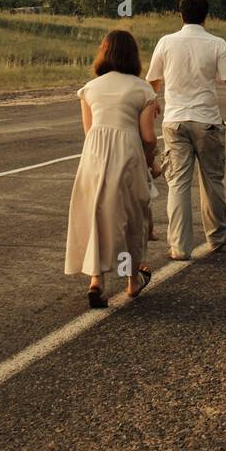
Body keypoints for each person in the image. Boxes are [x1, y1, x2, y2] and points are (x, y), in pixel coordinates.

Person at [146, 0, 226, 260]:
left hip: (175, 121)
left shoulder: (166, 42)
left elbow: (152, 81)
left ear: (180, 14)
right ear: (206, 16)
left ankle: (179, 246)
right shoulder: (216, 44)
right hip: (207, 121)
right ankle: (218, 234)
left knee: (177, 183)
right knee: (212, 180)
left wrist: (152, 103)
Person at [64, 29, 159, 308]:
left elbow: (89, 130)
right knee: (130, 216)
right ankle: (132, 280)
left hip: (94, 154)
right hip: (127, 152)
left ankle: (96, 280)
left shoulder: (90, 88)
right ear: (133, 55)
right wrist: (150, 160)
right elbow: (149, 137)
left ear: (104, 52)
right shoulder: (143, 89)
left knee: (95, 212)